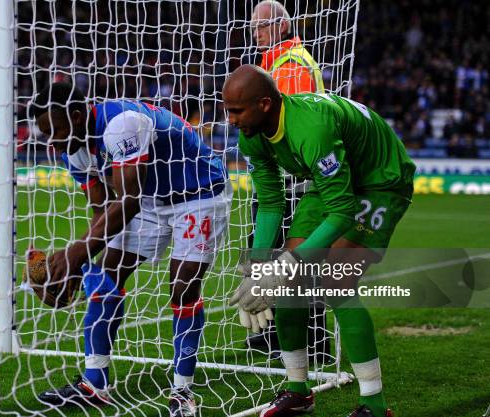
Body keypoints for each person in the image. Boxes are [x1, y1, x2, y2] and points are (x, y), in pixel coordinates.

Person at [30, 82, 232, 417]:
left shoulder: (120, 123)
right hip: (152, 200)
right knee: (108, 272)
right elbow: (102, 211)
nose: (52, 141)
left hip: (200, 192)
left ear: (77, 116)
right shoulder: (75, 149)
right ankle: (95, 383)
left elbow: (127, 202)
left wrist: (74, 255)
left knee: (182, 286)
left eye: (56, 130)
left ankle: (182, 392)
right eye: (46, 133)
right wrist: (76, 265)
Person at [224, 65, 415, 417]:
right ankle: (299, 391)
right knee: (287, 285)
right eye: (228, 110)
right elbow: (269, 202)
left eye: (237, 111)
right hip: (333, 180)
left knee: (335, 281)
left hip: (379, 179)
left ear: (265, 104)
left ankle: (374, 405)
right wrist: (257, 267)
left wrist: (285, 262)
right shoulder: (251, 135)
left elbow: (343, 212)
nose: (231, 120)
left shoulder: (310, 129)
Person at [246, 0, 329, 359]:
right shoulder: (281, 62)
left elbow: (288, 127)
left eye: (261, 28)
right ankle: (277, 337)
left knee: (290, 260)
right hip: (289, 179)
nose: (256, 34)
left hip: (290, 181)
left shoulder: (290, 66)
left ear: (281, 26)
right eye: (253, 29)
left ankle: (305, 342)